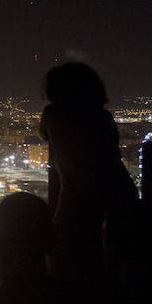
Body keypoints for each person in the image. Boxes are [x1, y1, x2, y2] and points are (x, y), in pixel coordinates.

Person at [38, 62, 139, 282]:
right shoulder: (103, 118)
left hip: (76, 200)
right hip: (119, 193)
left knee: (68, 264)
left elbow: (44, 135)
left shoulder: (54, 116)